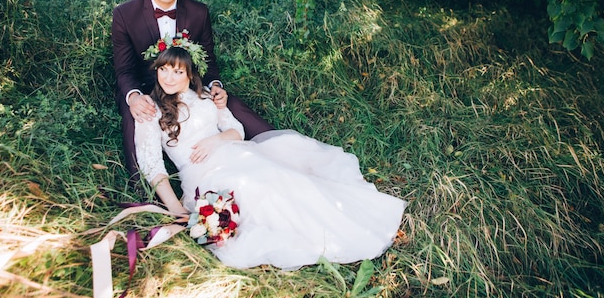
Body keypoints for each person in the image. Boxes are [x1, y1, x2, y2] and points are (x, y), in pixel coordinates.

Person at [134, 39, 407, 270]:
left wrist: (216, 140)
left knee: (282, 176)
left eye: (178, 72)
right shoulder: (150, 109)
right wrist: (175, 208)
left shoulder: (206, 96)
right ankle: (312, 237)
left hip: (236, 152)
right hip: (203, 174)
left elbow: (235, 129)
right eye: (164, 70)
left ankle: (338, 227)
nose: (169, 78)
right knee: (252, 188)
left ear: (190, 74)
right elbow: (151, 164)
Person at [112, 0, 273, 179]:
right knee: (135, 114)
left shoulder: (198, 12)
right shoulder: (125, 14)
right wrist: (134, 97)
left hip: (188, 84)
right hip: (148, 89)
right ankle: (142, 191)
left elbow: (207, 61)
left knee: (231, 104)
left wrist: (215, 86)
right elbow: (124, 69)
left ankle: (276, 147)